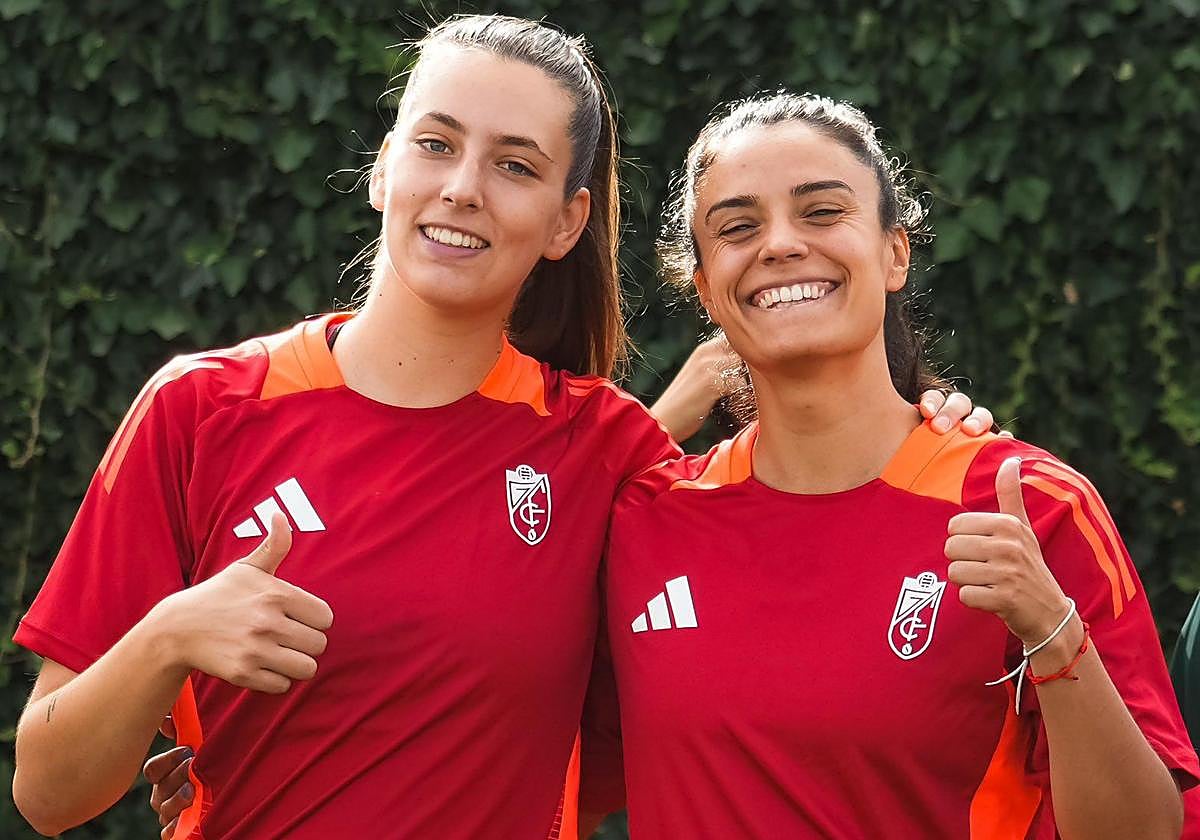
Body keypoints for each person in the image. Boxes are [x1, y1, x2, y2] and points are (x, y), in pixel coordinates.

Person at [14, 15, 990, 839]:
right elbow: (47, 792)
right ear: (384, 167)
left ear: (566, 223)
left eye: (514, 165)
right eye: (436, 144)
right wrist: (168, 639)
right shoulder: (202, 408)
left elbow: (737, 656)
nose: (464, 186)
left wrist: (923, 435)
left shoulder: (609, 454)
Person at [584, 93, 1198, 838]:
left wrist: (1052, 631)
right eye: (738, 227)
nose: (779, 244)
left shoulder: (1028, 507)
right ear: (707, 288)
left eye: (820, 212)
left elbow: (1148, 832)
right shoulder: (640, 520)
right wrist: (667, 415)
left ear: (894, 253)